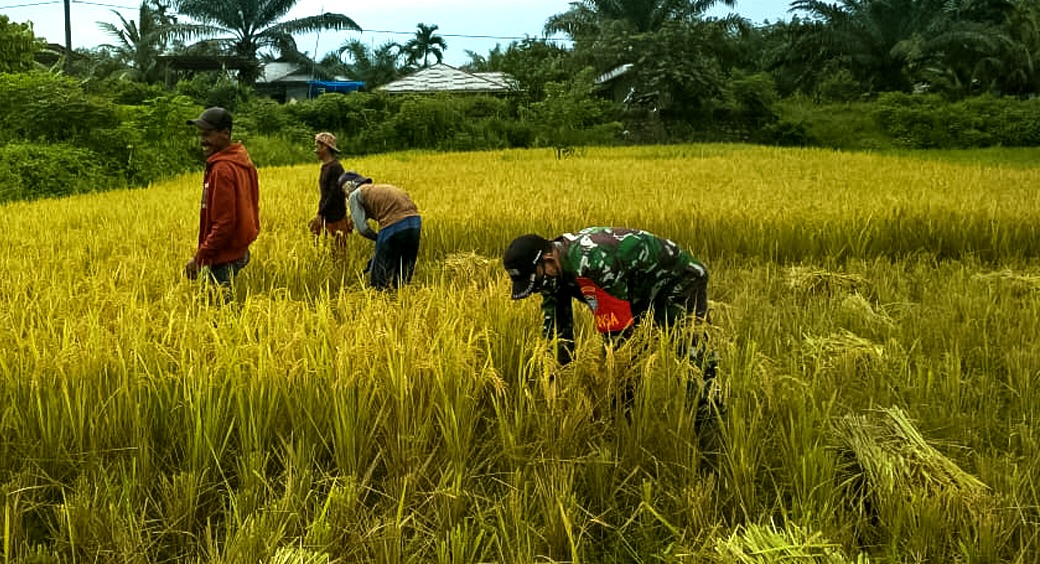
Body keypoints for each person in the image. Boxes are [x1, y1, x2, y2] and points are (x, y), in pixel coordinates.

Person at [503, 226, 718, 418]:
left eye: (537, 282)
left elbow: (618, 342)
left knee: (692, 359)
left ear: (548, 262)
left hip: (677, 282)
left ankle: (709, 425)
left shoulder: (593, 265)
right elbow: (557, 331)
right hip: (635, 289)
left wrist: (606, 395)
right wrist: (556, 379)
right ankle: (630, 425)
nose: (539, 289)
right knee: (629, 369)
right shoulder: (553, 272)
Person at [183, 107, 260, 301]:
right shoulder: (242, 160)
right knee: (225, 316)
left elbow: (224, 222)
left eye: (208, 134)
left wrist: (200, 257)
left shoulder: (223, 169)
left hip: (222, 257)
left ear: (225, 133)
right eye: (201, 134)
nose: (202, 140)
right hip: (237, 251)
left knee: (217, 320)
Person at [339, 171, 422, 289]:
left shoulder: (354, 195)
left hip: (393, 224)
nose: (346, 198)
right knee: (403, 273)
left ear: (348, 187)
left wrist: (378, 239)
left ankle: (380, 300)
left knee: (379, 276)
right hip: (415, 224)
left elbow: (362, 228)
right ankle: (403, 299)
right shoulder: (378, 190)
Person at [308, 132, 350, 254]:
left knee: (338, 252)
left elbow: (334, 194)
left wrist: (321, 213)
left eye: (318, 146)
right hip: (327, 215)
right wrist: (320, 213)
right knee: (328, 251)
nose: (315, 150)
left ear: (325, 147)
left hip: (336, 216)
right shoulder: (325, 167)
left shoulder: (336, 168)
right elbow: (325, 195)